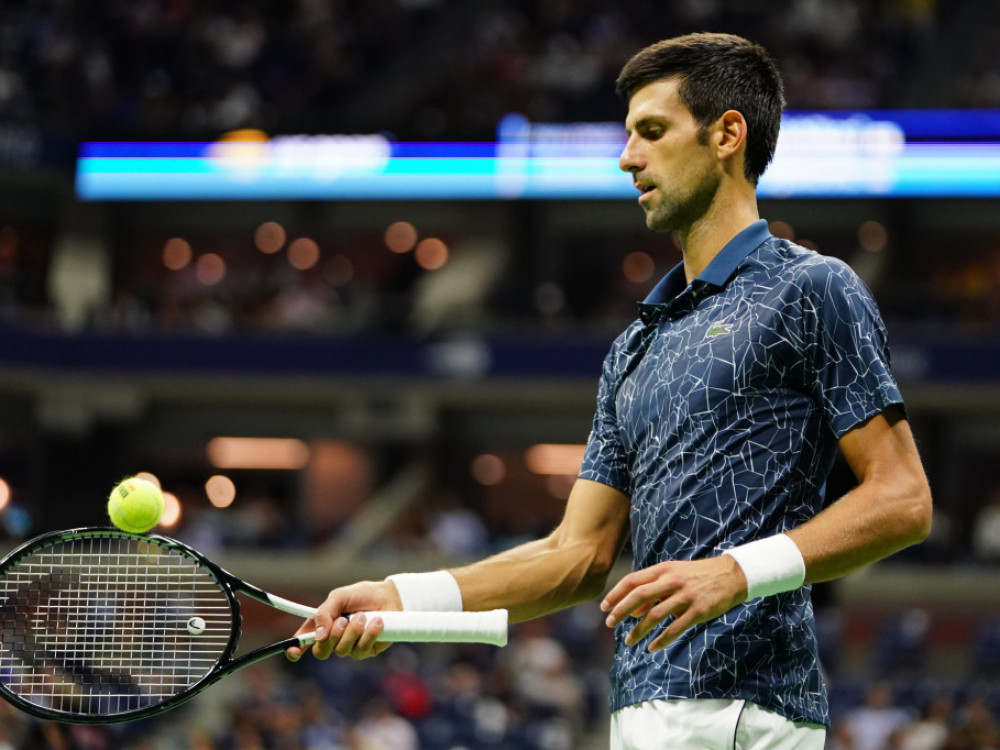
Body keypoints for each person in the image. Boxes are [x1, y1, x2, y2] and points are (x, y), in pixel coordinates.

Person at [286, 32, 933, 749]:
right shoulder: (635, 346)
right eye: (628, 136)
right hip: (639, 715)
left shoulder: (811, 289)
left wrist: (736, 572)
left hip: (748, 711)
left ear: (726, 134)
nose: (628, 158)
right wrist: (402, 597)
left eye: (652, 132)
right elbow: (575, 554)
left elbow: (902, 499)